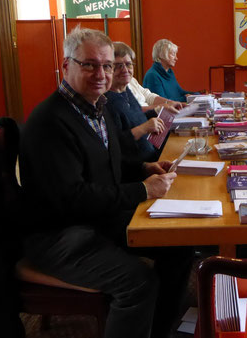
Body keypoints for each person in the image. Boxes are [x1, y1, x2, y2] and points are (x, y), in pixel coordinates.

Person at [19, 26, 193, 338]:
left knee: (179, 247)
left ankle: (158, 330)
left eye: (107, 65)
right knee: (138, 283)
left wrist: (143, 168)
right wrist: (141, 189)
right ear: (66, 66)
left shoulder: (97, 108)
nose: (101, 73)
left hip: (93, 220)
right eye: (89, 65)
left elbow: (102, 165)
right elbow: (71, 198)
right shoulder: (50, 121)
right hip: (59, 236)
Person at [106, 42, 168, 161]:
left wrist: (159, 110)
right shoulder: (107, 101)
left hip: (152, 153)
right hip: (138, 167)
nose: (125, 69)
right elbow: (115, 145)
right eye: (118, 66)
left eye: (128, 64)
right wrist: (144, 128)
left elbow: (136, 117)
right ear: (108, 68)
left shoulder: (126, 91)